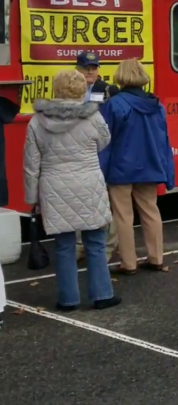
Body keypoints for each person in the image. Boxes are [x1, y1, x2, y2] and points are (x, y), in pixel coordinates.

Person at [24, 70, 120, 310]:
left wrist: (32, 198)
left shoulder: (37, 121)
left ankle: (68, 299)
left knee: (64, 246)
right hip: (89, 183)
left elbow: (31, 165)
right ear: (80, 90)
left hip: (54, 186)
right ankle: (102, 295)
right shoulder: (93, 118)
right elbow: (104, 141)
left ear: (55, 89)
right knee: (96, 242)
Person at [100, 59, 175, 275]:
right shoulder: (156, 105)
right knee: (151, 211)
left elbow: (106, 141)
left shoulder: (114, 104)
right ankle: (156, 258)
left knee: (123, 216)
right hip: (150, 165)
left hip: (121, 167)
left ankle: (128, 263)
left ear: (121, 76)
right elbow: (164, 140)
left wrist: (101, 171)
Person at [74, 51, 119, 263]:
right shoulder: (71, 90)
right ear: (77, 69)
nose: (90, 71)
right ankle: (81, 246)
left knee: (106, 202)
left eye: (94, 67)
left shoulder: (109, 90)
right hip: (79, 153)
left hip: (104, 151)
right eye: (86, 67)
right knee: (81, 200)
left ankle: (107, 248)